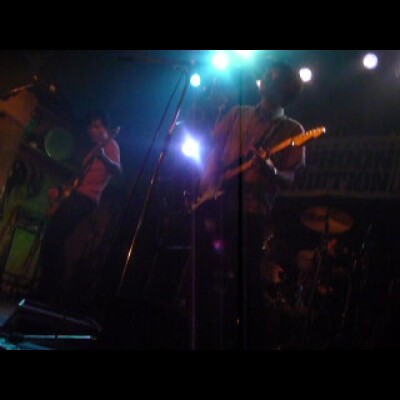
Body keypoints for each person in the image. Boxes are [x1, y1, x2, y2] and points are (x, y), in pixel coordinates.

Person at [192, 61, 305, 349]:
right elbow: (214, 153)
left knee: (245, 281)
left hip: (252, 211)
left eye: (273, 77)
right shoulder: (238, 113)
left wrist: (270, 170)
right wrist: (206, 190)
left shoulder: (292, 129)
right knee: (202, 271)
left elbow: (290, 179)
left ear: (285, 89)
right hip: (217, 203)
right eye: (266, 75)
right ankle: (202, 335)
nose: (265, 78)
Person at [35, 111, 122, 311]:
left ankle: (51, 293)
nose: (93, 130)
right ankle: (47, 291)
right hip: (76, 195)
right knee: (52, 239)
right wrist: (61, 190)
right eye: (91, 127)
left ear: (106, 129)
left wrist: (104, 158)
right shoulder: (92, 152)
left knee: (54, 238)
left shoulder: (111, 145)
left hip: (86, 199)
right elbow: (78, 179)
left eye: (97, 126)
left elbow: (118, 171)